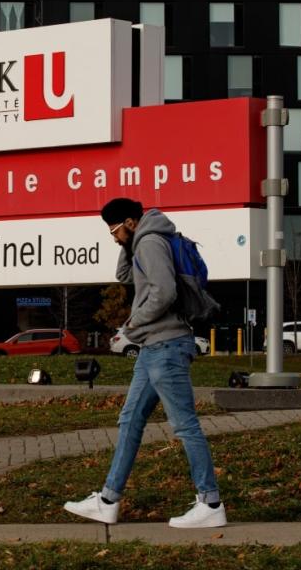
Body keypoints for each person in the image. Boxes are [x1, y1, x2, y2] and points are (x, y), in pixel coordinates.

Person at [64, 198, 226, 528]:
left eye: (114, 230)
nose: (113, 237)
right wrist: (127, 241)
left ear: (131, 221)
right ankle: (108, 500)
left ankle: (211, 503)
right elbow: (124, 274)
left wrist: (134, 323)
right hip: (153, 349)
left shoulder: (151, 242)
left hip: (165, 346)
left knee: (184, 425)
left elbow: (164, 292)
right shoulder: (143, 242)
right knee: (130, 421)